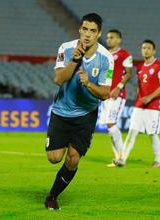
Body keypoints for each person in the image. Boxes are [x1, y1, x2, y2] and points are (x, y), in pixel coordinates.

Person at [44, 13, 114, 210]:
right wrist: (75, 60)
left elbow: (105, 93)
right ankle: (61, 142)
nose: (87, 35)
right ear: (79, 30)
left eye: (92, 31)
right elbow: (58, 79)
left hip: (85, 115)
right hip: (61, 111)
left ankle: (53, 196)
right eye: (85, 29)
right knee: (54, 158)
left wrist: (89, 84)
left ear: (99, 34)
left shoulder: (106, 59)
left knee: (73, 159)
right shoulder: (65, 48)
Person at [122, 39, 160, 168]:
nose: (145, 50)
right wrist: (139, 93)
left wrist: (150, 97)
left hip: (153, 106)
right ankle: (122, 159)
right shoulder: (140, 67)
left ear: (153, 51)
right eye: (143, 48)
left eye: (148, 48)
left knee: (152, 134)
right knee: (132, 131)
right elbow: (140, 83)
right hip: (139, 105)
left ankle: (158, 160)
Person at [99, 29, 133, 167]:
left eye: (112, 37)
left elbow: (129, 74)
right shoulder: (105, 55)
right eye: (107, 37)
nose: (108, 40)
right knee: (109, 127)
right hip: (106, 95)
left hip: (117, 95)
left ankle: (121, 157)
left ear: (119, 40)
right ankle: (117, 158)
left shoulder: (125, 54)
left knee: (111, 124)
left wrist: (118, 87)